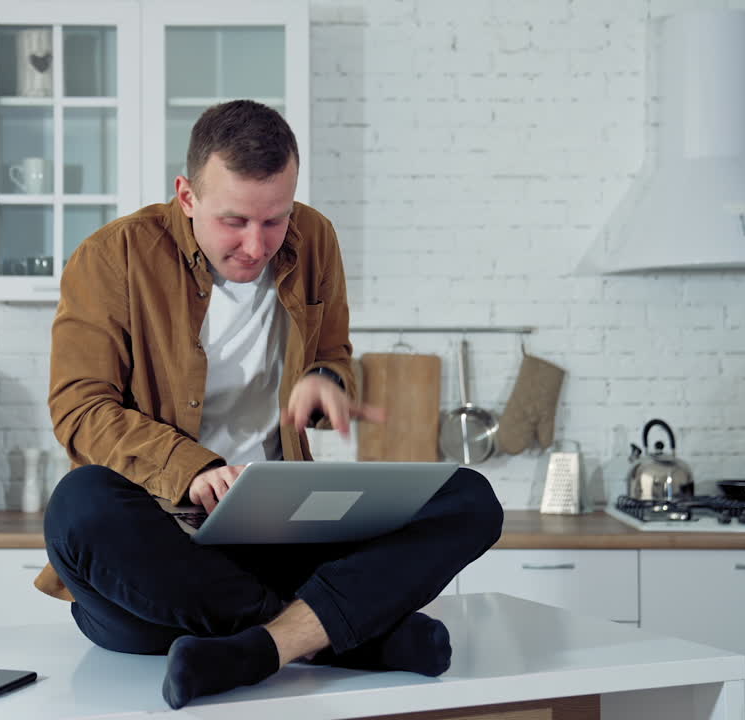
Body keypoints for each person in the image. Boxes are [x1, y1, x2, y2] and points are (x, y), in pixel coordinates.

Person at [36, 99, 503, 709]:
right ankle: (340, 635)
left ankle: (260, 648)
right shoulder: (111, 257)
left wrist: (326, 383)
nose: (256, 246)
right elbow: (79, 408)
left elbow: (334, 353)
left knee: (467, 498)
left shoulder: (316, 239)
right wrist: (193, 469)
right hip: (162, 558)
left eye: (274, 220)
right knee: (78, 508)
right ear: (186, 196)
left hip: (277, 535)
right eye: (234, 221)